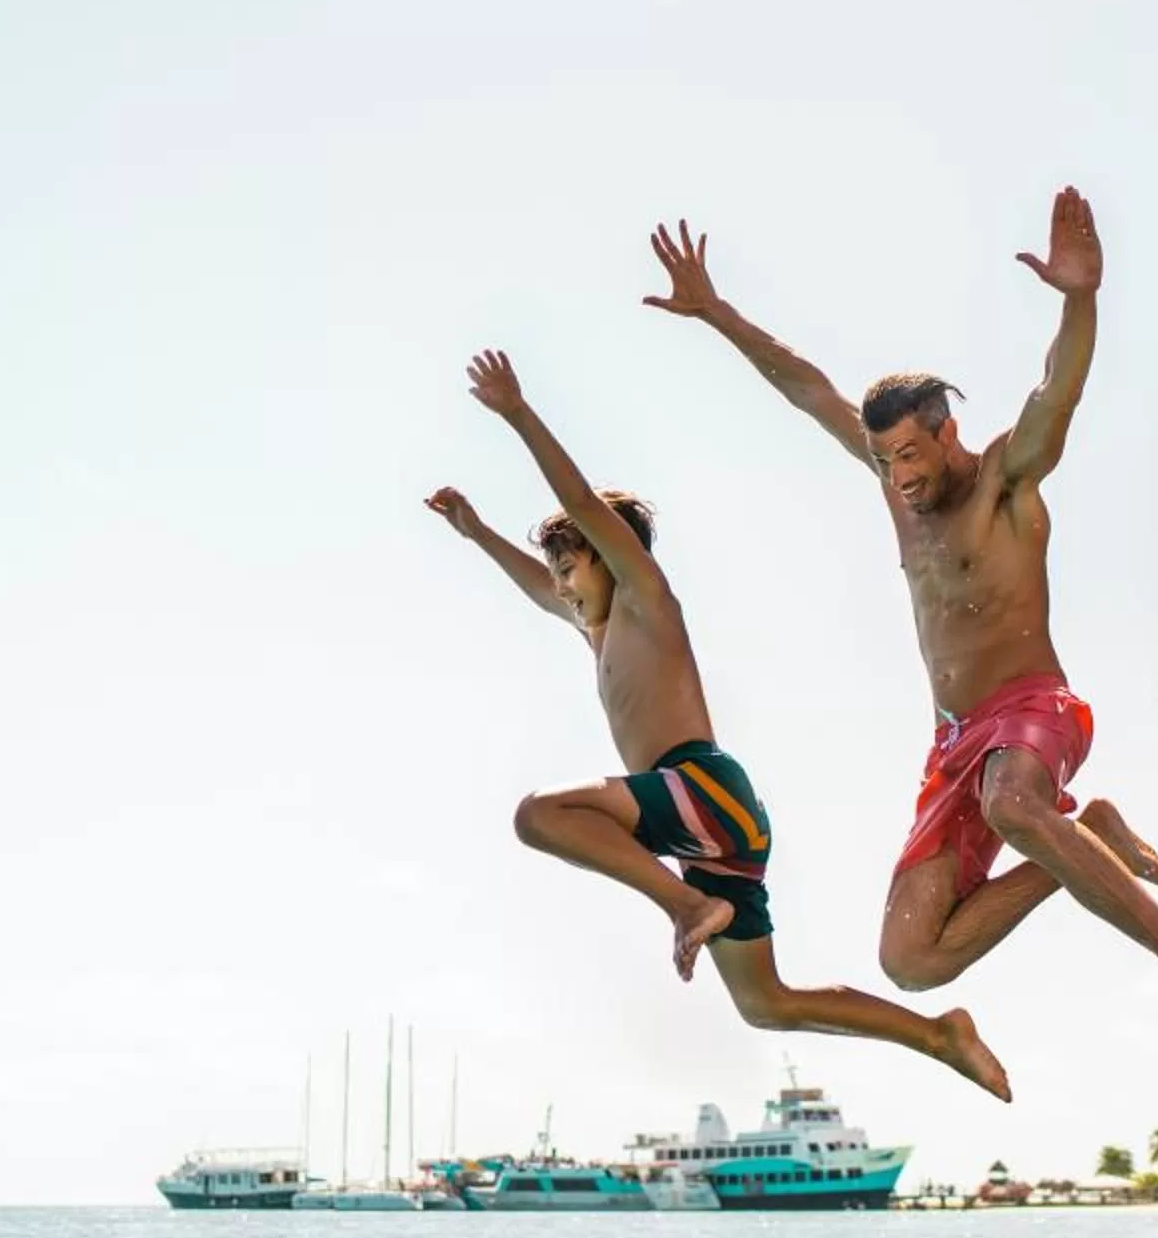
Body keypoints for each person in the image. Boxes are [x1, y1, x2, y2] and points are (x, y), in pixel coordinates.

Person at [643, 188, 1158, 1014]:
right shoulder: (895, 487)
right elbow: (804, 385)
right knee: (912, 960)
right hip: (955, 741)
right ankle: (1088, 836)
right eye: (886, 462)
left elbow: (1054, 394)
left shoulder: (1005, 481)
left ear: (947, 432)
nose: (902, 477)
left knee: (1013, 803)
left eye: (913, 456)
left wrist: (1080, 300)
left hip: (1035, 710)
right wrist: (716, 312)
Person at [428, 348, 1013, 1099]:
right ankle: (938, 1036)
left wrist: (517, 415)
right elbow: (538, 588)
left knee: (540, 815)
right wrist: (475, 532)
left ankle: (686, 906)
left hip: (701, 789)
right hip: (706, 824)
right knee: (766, 1005)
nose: (565, 587)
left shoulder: (645, 597)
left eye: (574, 568)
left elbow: (581, 505)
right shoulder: (599, 630)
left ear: (614, 556)